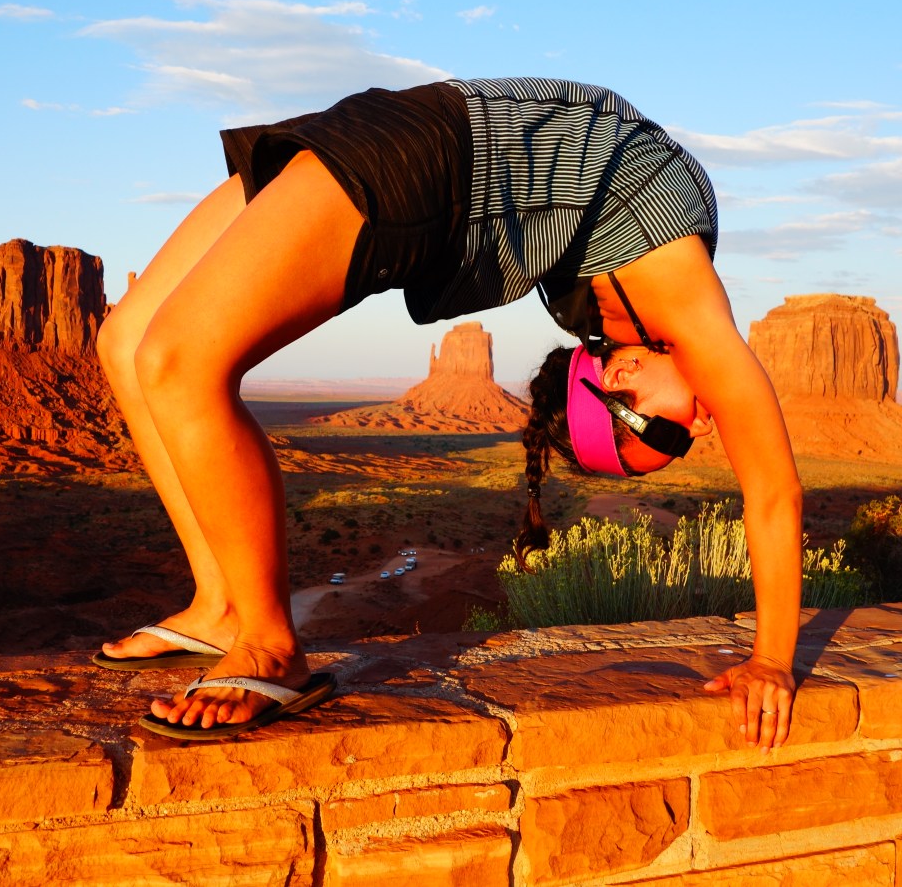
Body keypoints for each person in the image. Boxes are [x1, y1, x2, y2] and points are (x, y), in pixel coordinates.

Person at [94, 76, 801, 749]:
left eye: (674, 439)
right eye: (673, 437)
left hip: (406, 132)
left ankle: (222, 604)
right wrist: (771, 658)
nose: (703, 428)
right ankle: (267, 641)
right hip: (430, 148)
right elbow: (771, 488)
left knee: (130, 345)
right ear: (621, 374)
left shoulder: (620, 309)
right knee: (174, 362)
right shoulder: (683, 296)